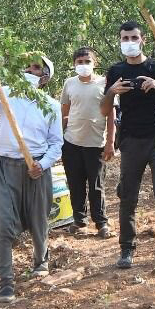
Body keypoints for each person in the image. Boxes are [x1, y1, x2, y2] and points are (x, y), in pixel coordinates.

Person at [0, 56, 64, 304]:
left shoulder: (50, 105)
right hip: (4, 167)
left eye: (35, 67)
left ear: (45, 76)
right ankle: (6, 281)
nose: (29, 70)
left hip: (35, 169)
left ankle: (41, 260)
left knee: (38, 220)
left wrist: (42, 165)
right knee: (2, 224)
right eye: (26, 66)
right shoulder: (5, 93)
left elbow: (57, 144)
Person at [103, 21, 155, 269]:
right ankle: (126, 249)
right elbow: (104, 109)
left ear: (143, 40)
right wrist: (112, 92)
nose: (129, 43)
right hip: (130, 140)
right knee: (128, 196)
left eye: (133, 38)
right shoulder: (116, 70)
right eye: (124, 38)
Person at [60, 47, 109, 237]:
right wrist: (61, 136)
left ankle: (101, 223)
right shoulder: (69, 83)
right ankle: (79, 221)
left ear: (94, 63)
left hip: (96, 143)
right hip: (72, 141)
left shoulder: (105, 83)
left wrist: (111, 141)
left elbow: (111, 113)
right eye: (79, 62)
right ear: (74, 64)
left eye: (87, 61)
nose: (83, 65)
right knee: (75, 182)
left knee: (96, 184)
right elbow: (65, 109)